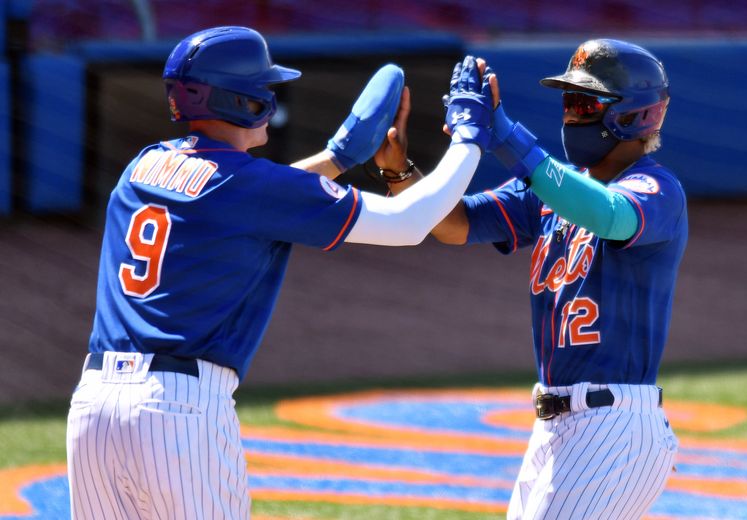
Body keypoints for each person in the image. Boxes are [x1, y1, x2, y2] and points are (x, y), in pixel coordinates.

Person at [66, 26, 494, 519]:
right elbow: (408, 223)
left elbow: (246, 196)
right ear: (241, 100)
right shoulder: (249, 187)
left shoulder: (143, 166)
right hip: (176, 411)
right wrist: (469, 139)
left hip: (93, 408)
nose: (270, 95)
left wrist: (337, 158)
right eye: (262, 87)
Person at [385, 40, 687, 519]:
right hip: (557, 428)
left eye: (585, 103)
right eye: (568, 101)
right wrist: (396, 168)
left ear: (632, 116)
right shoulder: (552, 187)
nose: (571, 114)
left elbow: (610, 216)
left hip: (612, 423)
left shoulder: (656, 188)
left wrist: (505, 135)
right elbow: (453, 224)